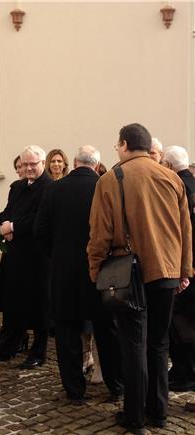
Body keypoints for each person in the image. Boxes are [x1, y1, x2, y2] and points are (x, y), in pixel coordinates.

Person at [88, 123, 192, 434]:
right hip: (167, 272)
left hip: (128, 273)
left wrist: (95, 270)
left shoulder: (110, 179)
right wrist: (185, 270)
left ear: (123, 144)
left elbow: (99, 233)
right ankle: (158, 412)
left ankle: (134, 416)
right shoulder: (171, 177)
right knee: (159, 344)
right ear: (147, 147)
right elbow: (186, 230)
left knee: (133, 344)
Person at [34, 145, 124, 405]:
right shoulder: (106, 187)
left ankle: (74, 389)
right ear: (96, 165)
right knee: (108, 331)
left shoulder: (53, 189)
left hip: (64, 273)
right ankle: (116, 385)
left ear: (74, 163)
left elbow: (41, 230)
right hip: (103, 271)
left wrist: (57, 256)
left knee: (67, 331)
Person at [0, 146, 53, 367]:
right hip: (15, 255)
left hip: (37, 258)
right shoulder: (17, 187)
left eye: (33, 164)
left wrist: (14, 227)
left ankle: (38, 353)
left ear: (42, 163)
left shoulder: (50, 187)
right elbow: (9, 210)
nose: (28, 168)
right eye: (25, 164)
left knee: (38, 306)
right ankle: (6, 347)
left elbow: (42, 218)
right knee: (13, 303)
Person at [161, 146, 195, 392]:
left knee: (181, 324)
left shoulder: (177, 188)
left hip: (185, 266)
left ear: (170, 167)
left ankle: (185, 372)